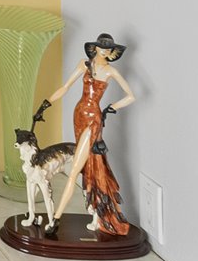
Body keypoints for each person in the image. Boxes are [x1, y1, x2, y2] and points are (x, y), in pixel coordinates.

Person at [41, 35, 137, 236]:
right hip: (78, 115)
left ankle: (56, 219)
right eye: (102, 47)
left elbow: (131, 96)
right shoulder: (84, 64)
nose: (104, 51)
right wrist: (46, 104)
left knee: (75, 169)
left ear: (112, 52)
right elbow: (66, 87)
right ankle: (93, 213)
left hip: (93, 120)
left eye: (108, 49)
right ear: (96, 48)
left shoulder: (110, 71)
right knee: (85, 164)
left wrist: (111, 107)